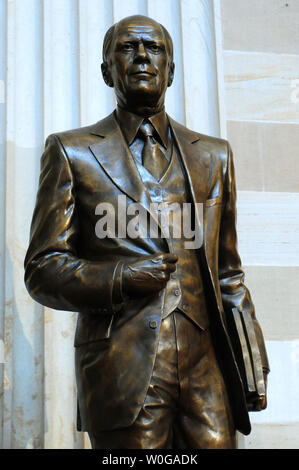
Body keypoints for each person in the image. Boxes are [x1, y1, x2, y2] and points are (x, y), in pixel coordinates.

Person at [24, 15, 269, 449]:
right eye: (126, 47)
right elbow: (44, 269)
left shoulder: (214, 157)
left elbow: (228, 273)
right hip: (122, 369)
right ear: (106, 70)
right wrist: (120, 278)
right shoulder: (71, 152)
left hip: (207, 374)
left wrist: (251, 362)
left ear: (171, 69)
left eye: (154, 48)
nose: (141, 57)